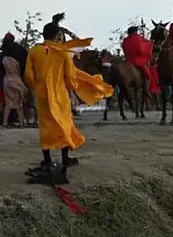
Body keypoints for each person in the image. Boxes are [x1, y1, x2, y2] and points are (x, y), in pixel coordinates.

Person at [23, 21, 113, 171]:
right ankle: (65, 159)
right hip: (59, 94)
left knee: (45, 126)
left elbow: (28, 75)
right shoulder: (63, 52)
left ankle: (47, 160)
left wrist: (36, 88)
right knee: (64, 124)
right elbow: (70, 76)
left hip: (42, 95)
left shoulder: (34, 51)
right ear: (55, 35)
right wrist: (74, 87)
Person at [121, 25, 154, 106]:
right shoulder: (139, 38)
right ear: (135, 31)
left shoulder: (125, 40)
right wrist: (151, 44)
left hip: (128, 61)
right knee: (147, 74)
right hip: (137, 61)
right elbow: (145, 46)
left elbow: (125, 49)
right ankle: (146, 91)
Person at [2, 52, 29, 128]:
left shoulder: (4, 60)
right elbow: (18, 71)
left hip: (7, 80)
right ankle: (21, 123)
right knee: (19, 104)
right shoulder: (15, 61)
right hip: (16, 80)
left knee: (8, 104)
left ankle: (5, 122)